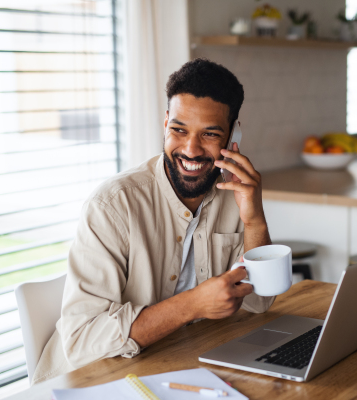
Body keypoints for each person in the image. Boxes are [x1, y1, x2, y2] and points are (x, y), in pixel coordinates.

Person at [32, 58, 274, 384]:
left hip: (170, 369)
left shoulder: (235, 195)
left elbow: (258, 302)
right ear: (165, 123)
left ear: (234, 134)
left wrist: (255, 220)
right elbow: (81, 342)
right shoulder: (112, 205)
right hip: (87, 382)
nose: (190, 149)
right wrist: (192, 305)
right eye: (179, 129)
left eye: (210, 134)